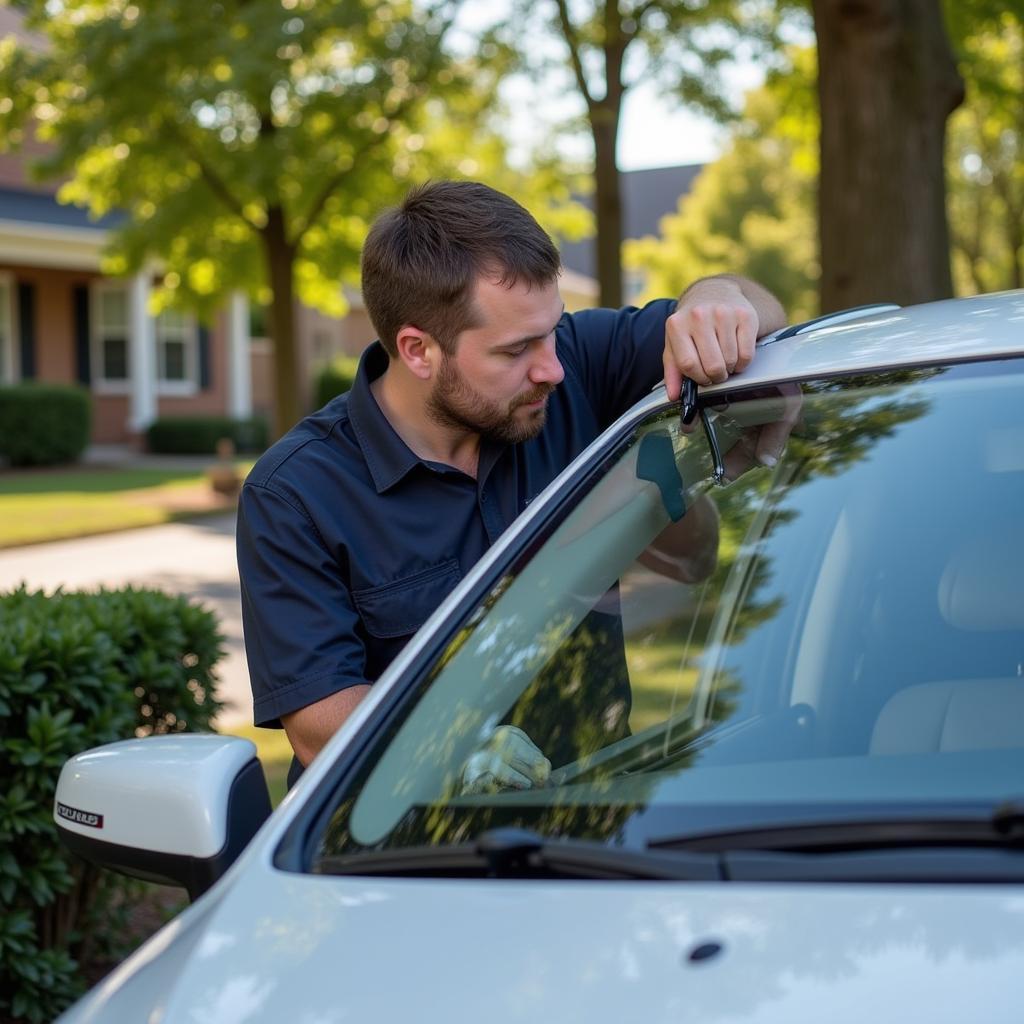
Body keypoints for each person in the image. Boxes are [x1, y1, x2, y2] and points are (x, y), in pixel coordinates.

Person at [236, 180, 787, 789]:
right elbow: (318, 720)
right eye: (517, 348)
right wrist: (450, 746)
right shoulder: (297, 494)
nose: (551, 367)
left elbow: (764, 311)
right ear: (418, 351)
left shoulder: (577, 364)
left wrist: (715, 300)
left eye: (551, 330)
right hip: (411, 860)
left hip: (606, 816)